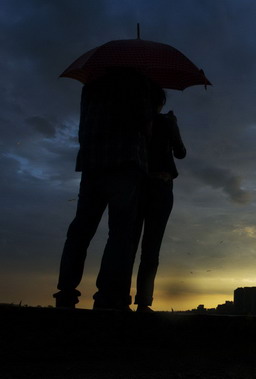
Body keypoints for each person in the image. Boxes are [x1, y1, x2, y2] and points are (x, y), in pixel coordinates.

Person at [54, 68, 158, 310]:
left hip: (92, 163)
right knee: (120, 234)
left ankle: (66, 292)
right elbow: (145, 126)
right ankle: (108, 296)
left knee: (81, 229)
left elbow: (83, 126)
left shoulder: (91, 86)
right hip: (125, 163)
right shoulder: (139, 85)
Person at [133, 88, 186, 312]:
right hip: (161, 185)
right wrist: (172, 124)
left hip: (136, 185)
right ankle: (144, 301)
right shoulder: (166, 121)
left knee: (127, 243)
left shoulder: (133, 122)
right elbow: (181, 152)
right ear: (160, 102)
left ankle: (116, 298)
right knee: (151, 247)